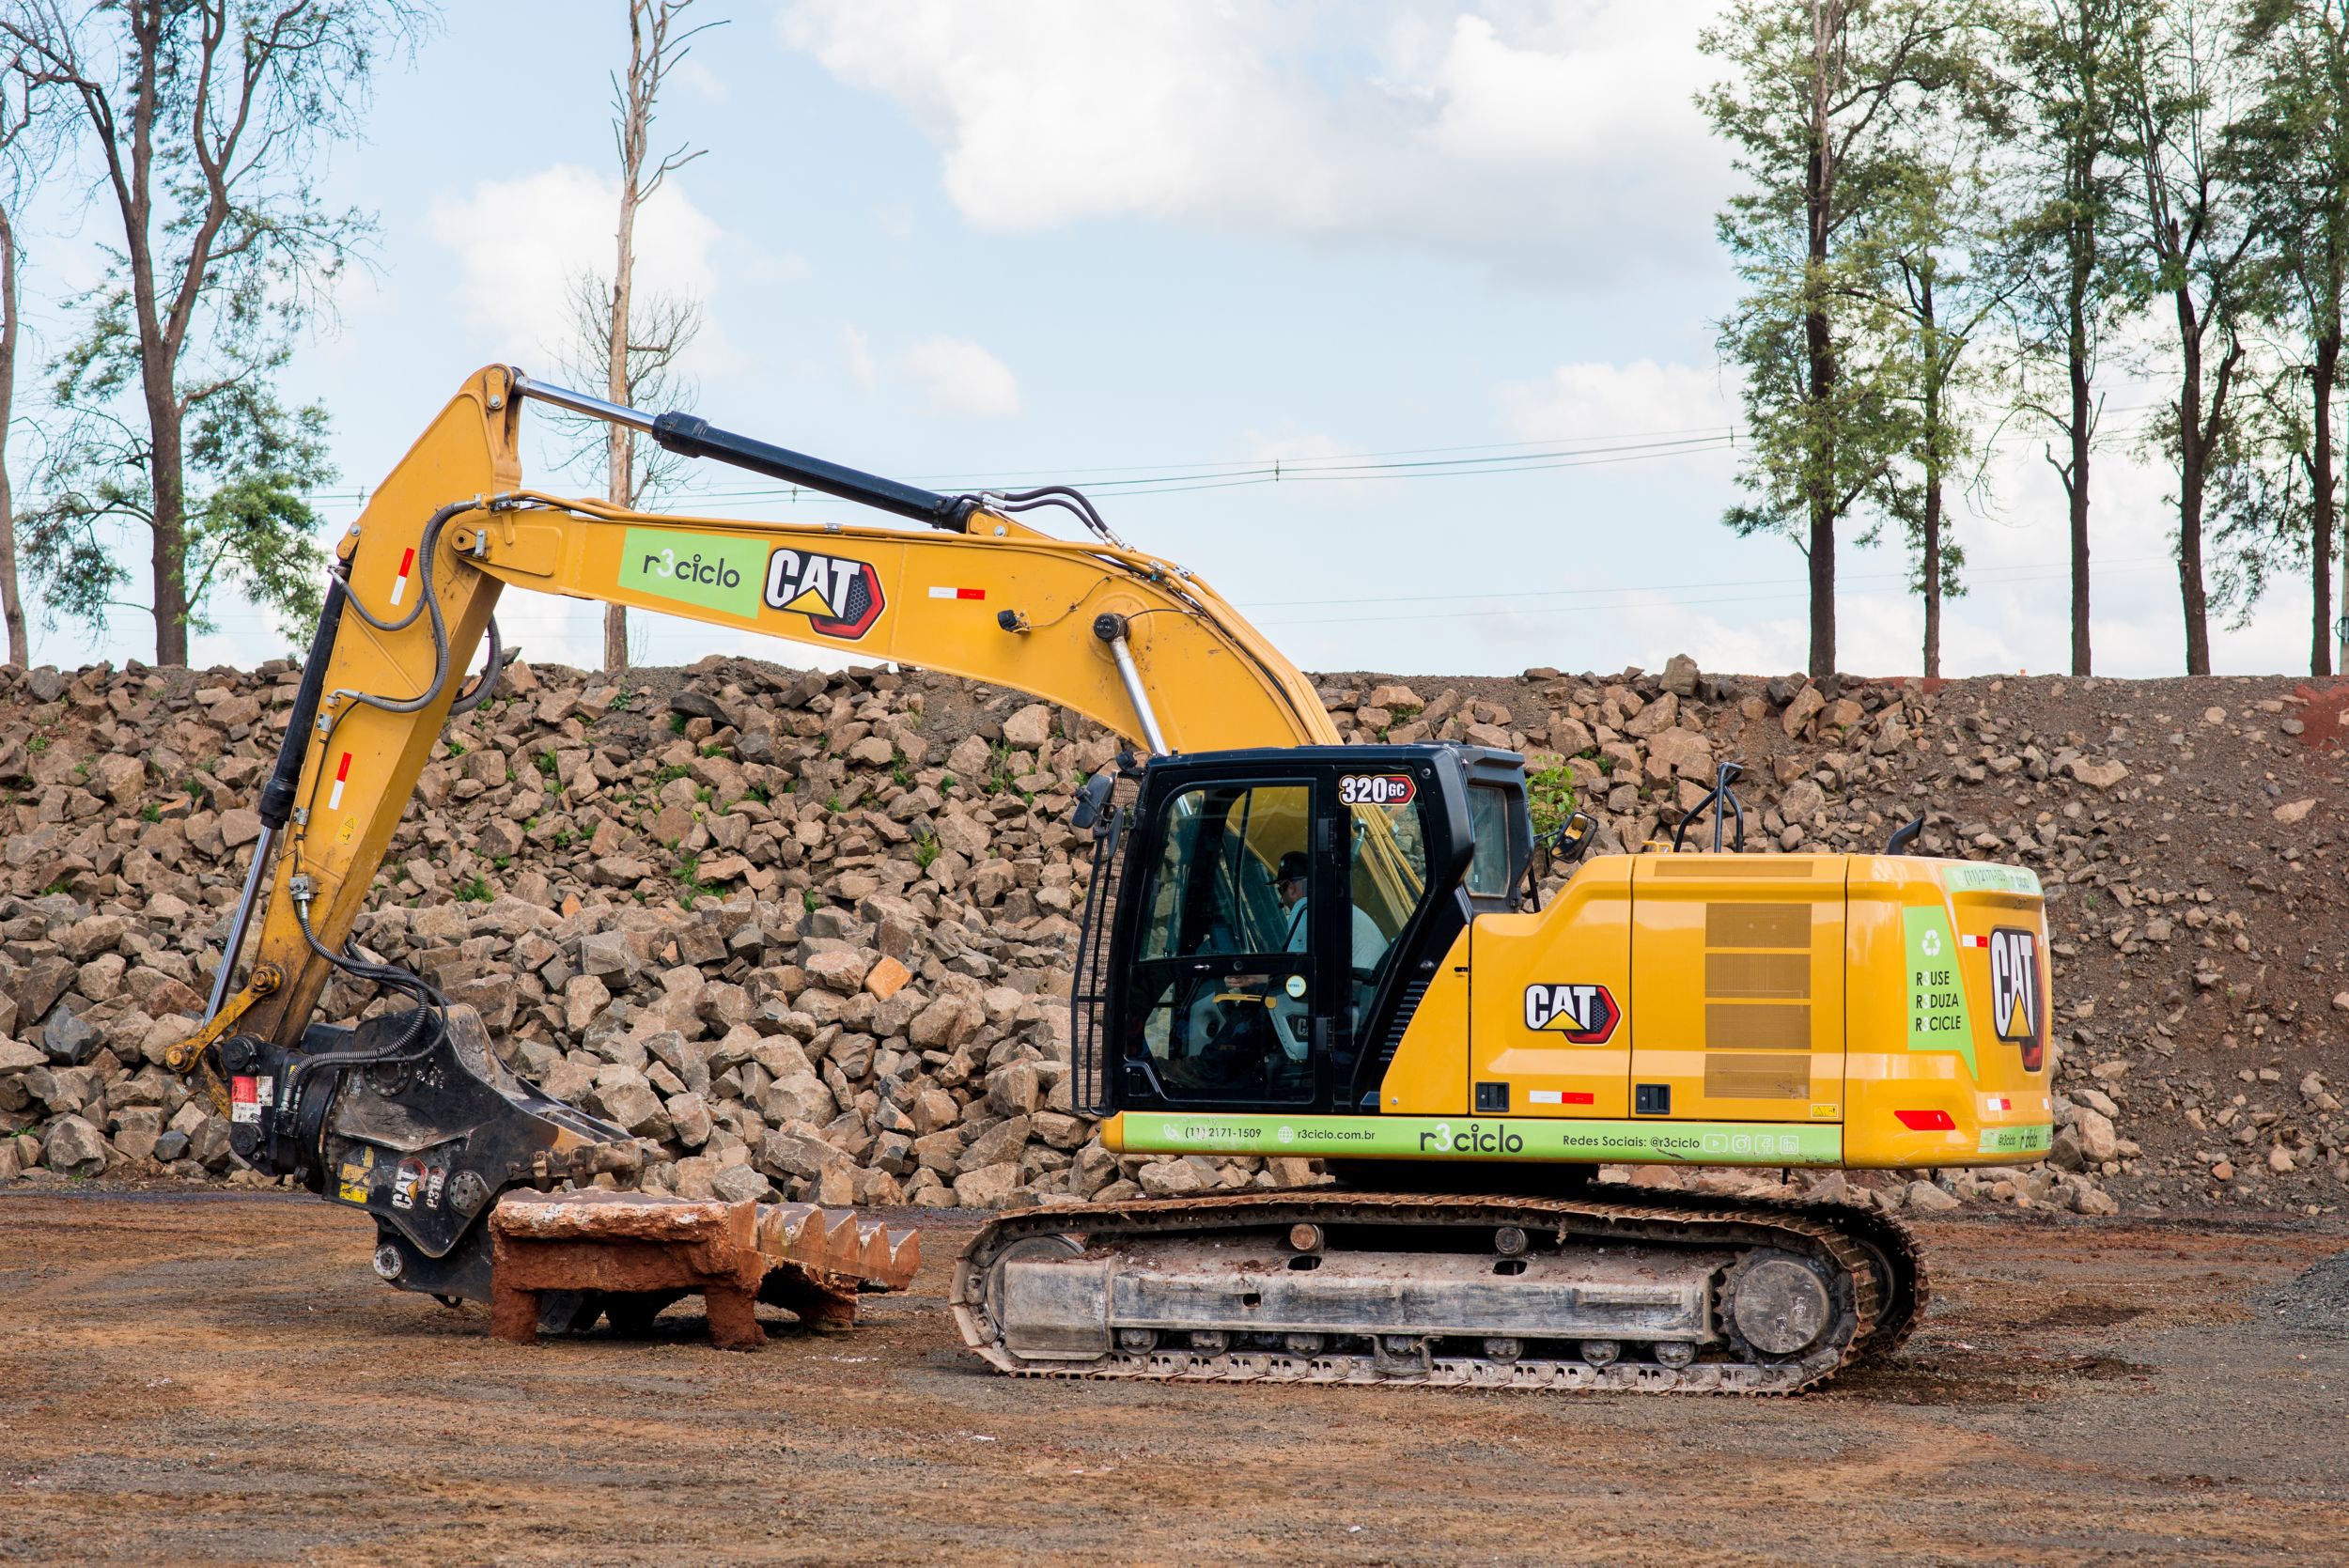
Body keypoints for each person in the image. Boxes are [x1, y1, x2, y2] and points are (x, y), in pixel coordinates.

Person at [1276, 850, 1390, 970]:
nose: (1283, 900)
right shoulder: (1337, 907)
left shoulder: (1305, 907)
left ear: (1291, 888)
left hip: (1357, 980)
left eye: (1281, 889)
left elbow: (1293, 968)